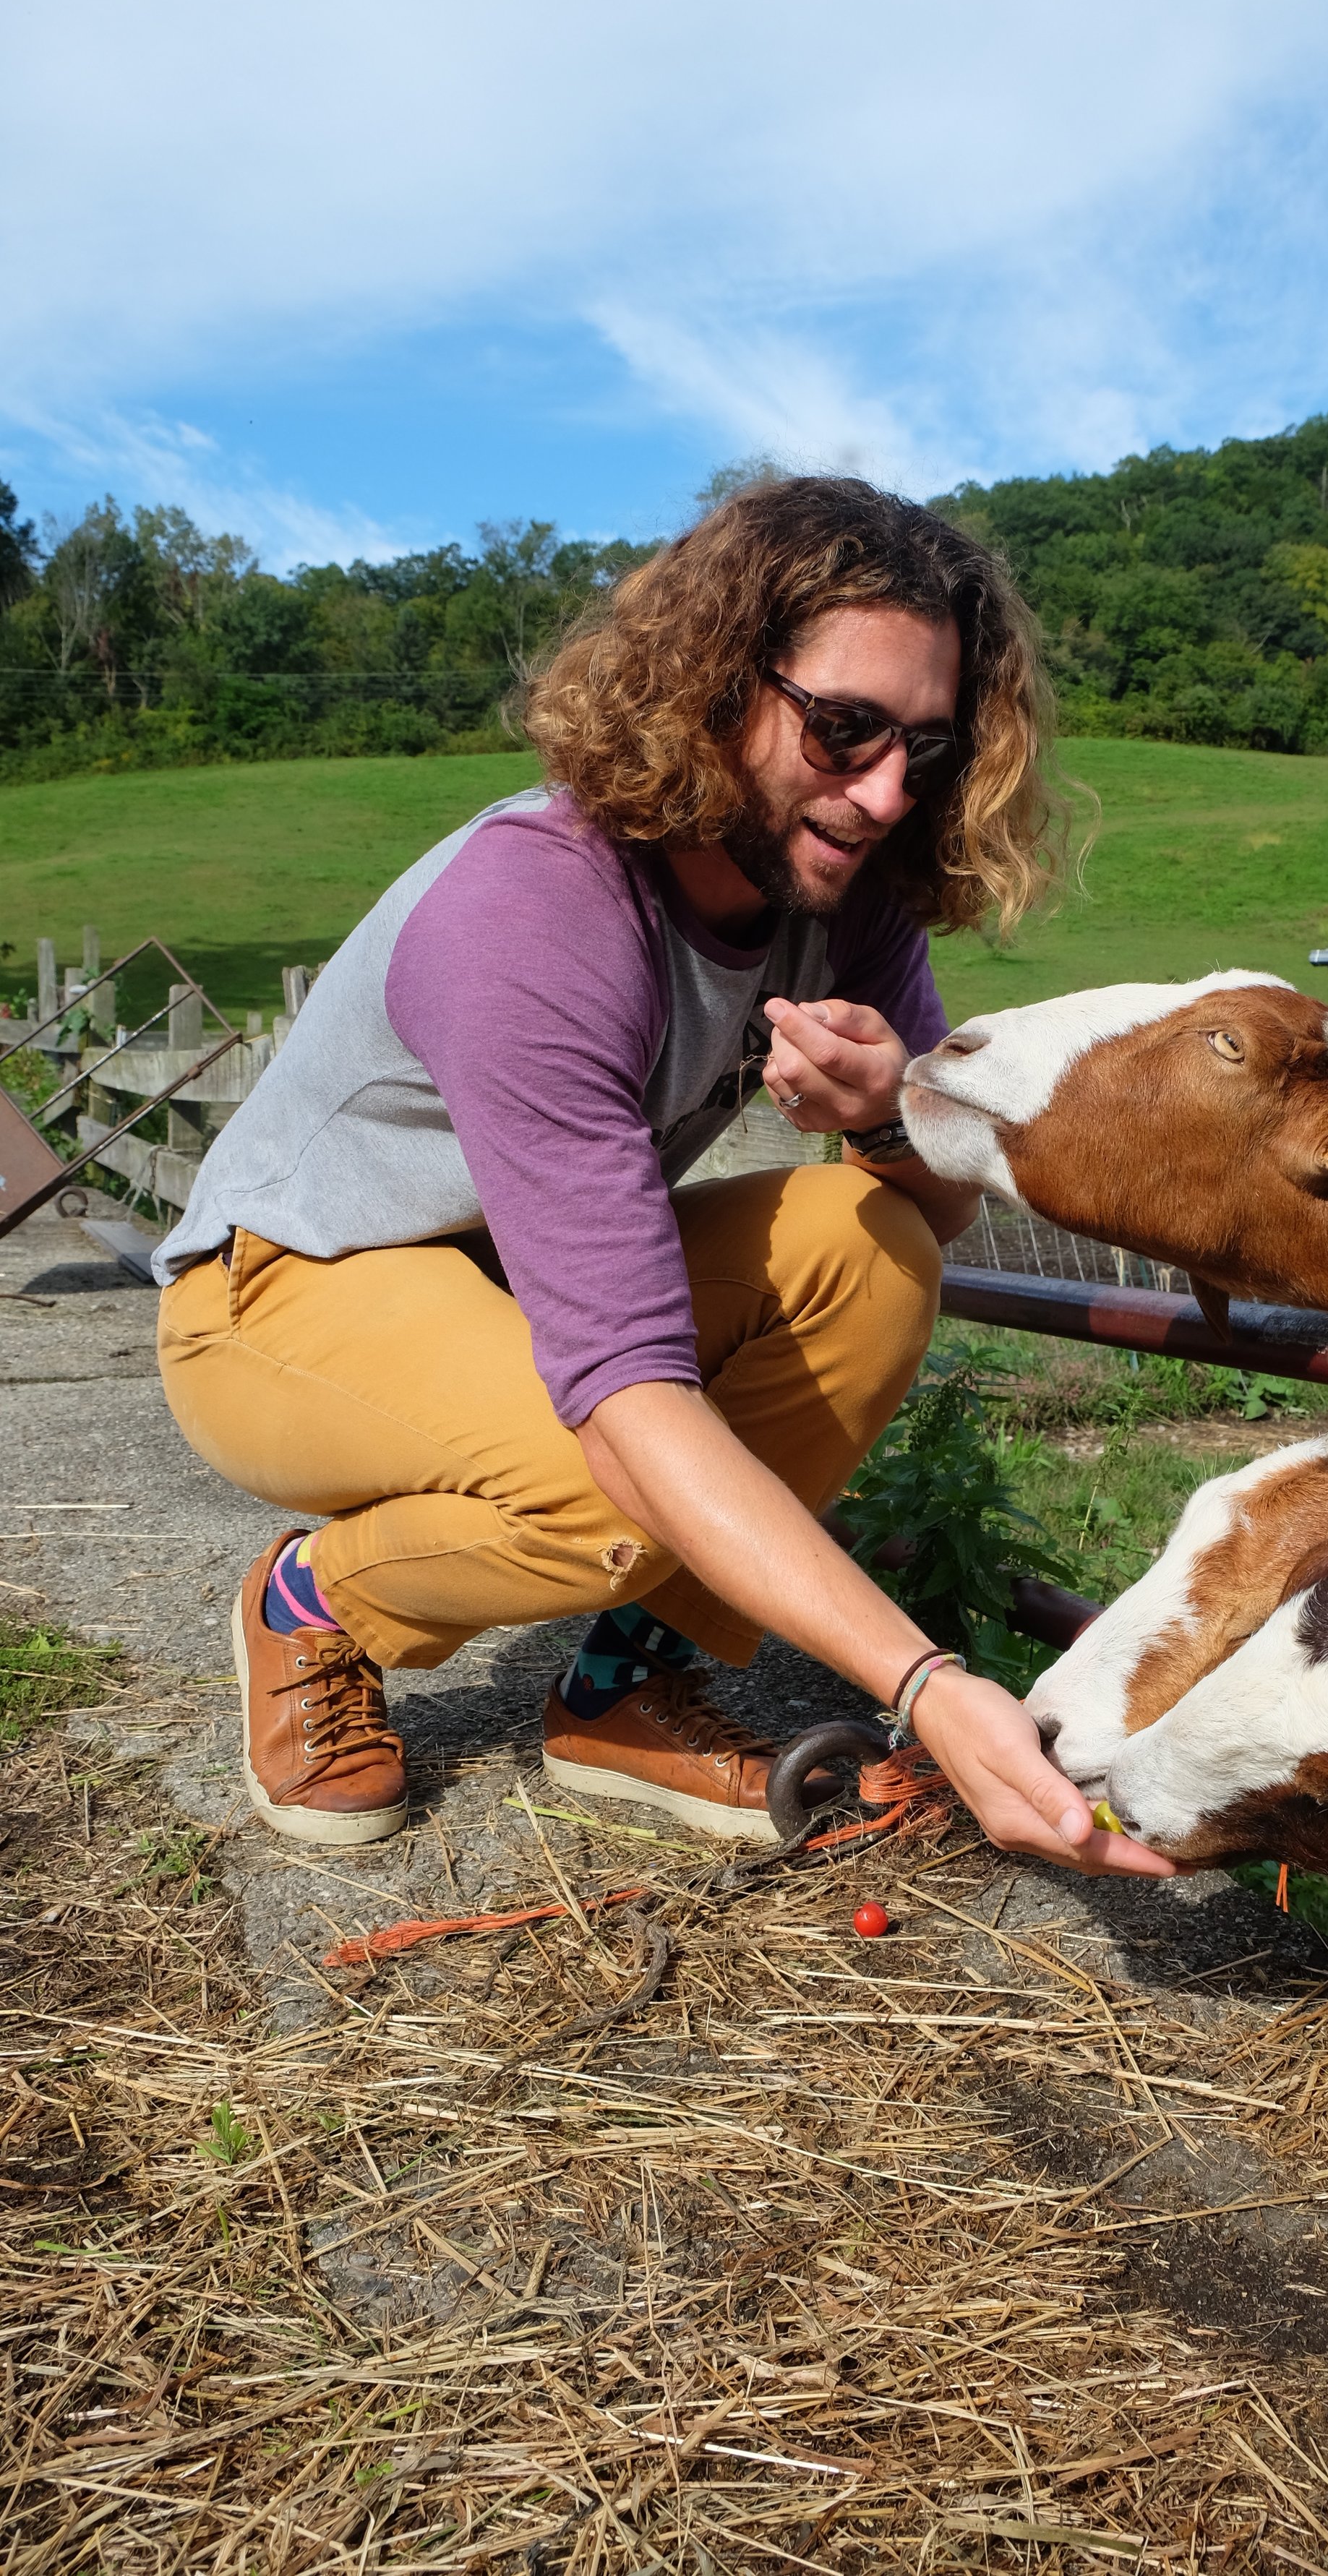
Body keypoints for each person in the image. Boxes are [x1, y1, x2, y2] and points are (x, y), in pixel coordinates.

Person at [155, 476, 1171, 1888]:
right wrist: (926, 1684)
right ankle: (311, 1600)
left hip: (511, 1286)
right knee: (612, 1489)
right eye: (842, 728)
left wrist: (888, 1119)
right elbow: (628, 1403)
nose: (883, 793)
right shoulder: (537, 911)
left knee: (870, 1242)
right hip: (280, 1294)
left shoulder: (844, 898)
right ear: (710, 685)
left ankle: (627, 1686)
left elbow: (936, 1212)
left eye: (923, 749)